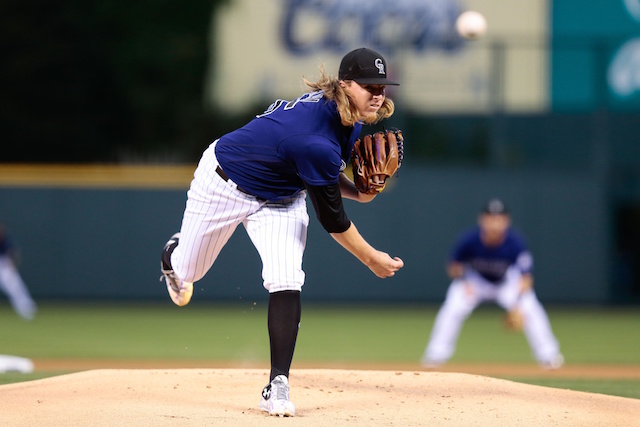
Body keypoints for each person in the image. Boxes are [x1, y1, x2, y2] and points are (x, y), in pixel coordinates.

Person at [160, 47, 404, 417]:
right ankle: (171, 257)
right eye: (368, 85)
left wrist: (360, 192)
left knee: (286, 278)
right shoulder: (316, 138)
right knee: (189, 272)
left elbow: (318, 174)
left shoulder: (345, 116)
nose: (378, 94)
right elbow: (333, 221)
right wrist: (372, 259)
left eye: (382, 86)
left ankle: (277, 385)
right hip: (224, 182)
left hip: (283, 197)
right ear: (344, 85)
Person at [421, 199, 563, 369]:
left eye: (499, 218)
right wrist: (464, 281)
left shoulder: (515, 242)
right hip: (475, 281)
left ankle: (549, 355)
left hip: (505, 283)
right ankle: (435, 355)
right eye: (490, 218)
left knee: (530, 306)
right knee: (453, 306)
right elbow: (454, 267)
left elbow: (526, 278)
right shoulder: (469, 239)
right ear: (482, 220)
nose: (495, 223)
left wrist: (517, 303)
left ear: (506, 221)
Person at [0, 223, 37, 320]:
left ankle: (26, 308)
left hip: (3, 266)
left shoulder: (5, 241)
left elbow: (14, 255)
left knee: (14, 286)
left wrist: (12, 265)